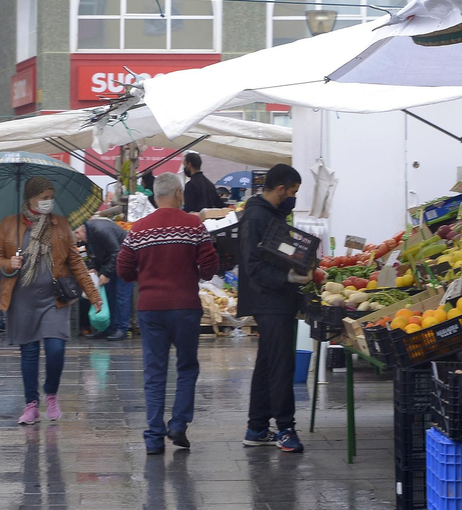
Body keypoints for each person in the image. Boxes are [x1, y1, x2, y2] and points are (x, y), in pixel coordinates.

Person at [117, 173, 220, 453]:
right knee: (186, 367)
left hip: (151, 309)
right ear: (178, 194)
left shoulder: (138, 229)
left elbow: (123, 268)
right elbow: (210, 263)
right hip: (185, 306)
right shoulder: (193, 224)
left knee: (154, 372)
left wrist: (146, 278)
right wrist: (195, 274)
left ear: (154, 196)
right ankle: (178, 424)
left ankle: (153, 437)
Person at [0, 177, 102, 423]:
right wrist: (9, 263)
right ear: (30, 198)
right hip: (22, 299)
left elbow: (76, 263)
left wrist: (93, 294)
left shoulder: (60, 225)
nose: (48, 202)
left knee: (55, 348)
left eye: (51, 197)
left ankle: (51, 392)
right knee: (29, 352)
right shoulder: (9, 225)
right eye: (44, 197)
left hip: (53, 297)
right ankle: (31, 404)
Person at [237, 163, 306, 453]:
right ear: (280, 189)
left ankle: (257, 428)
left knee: (267, 365)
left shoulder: (271, 214)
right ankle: (285, 429)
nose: (293, 197)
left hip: (277, 299)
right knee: (280, 367)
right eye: (293, 192)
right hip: (269, 301)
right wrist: (287, 277)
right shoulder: (255, 217)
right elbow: (253, 266)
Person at [76, 214, 130, 341]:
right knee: (109, 295)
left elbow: (117, 251)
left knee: (122, 295)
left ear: (81, 230)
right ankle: (108, 328)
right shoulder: (88, 237)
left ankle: (122, 329)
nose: (78, 239)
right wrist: (94, 267)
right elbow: (95, 253)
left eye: (77, 235)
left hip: (126, 260)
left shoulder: (100, 230)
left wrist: (106, 273)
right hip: (110, 262)